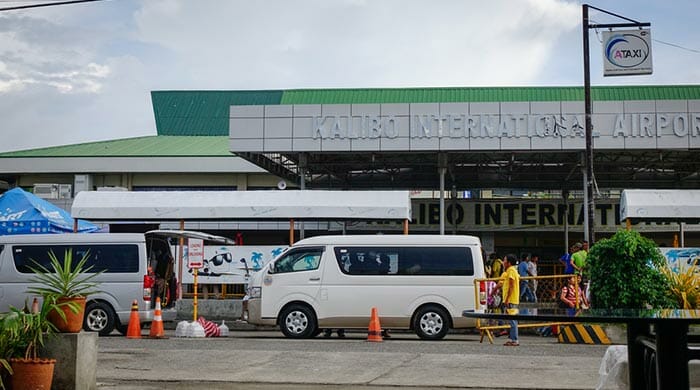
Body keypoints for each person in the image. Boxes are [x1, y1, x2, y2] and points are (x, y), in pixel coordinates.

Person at [496, 254, 520, 346]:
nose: (503, 262)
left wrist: (507, 299)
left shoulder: (510, 271)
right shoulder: (512, 270)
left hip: (511, 300)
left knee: (513, 320)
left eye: (504, 260)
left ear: (509, 263)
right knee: (511, 320)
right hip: (512, 299)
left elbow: (511, 286)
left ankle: (514, 340)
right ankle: (511, 338)